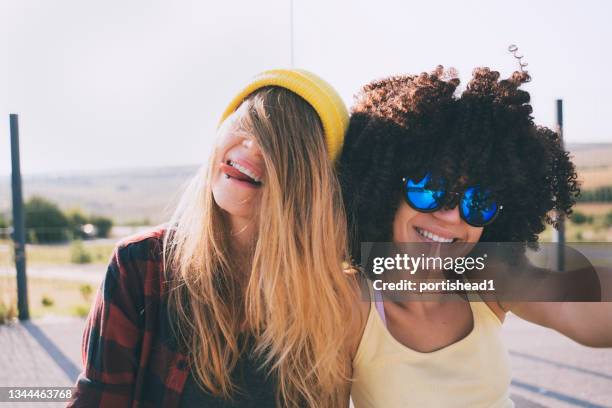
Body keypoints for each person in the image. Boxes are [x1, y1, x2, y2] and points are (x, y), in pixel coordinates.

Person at [69, 69, 360, 408]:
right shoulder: (141, 265)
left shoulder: (336, 300)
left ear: (308, 182)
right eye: (244, 125)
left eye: (277, 142)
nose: (251, 145)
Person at [338, 66, 612, 407]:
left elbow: (576, 303)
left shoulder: (486, 277)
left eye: (476, 201)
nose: (451, 216)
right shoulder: (351, 303)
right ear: (383, 187)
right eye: (431, 188)